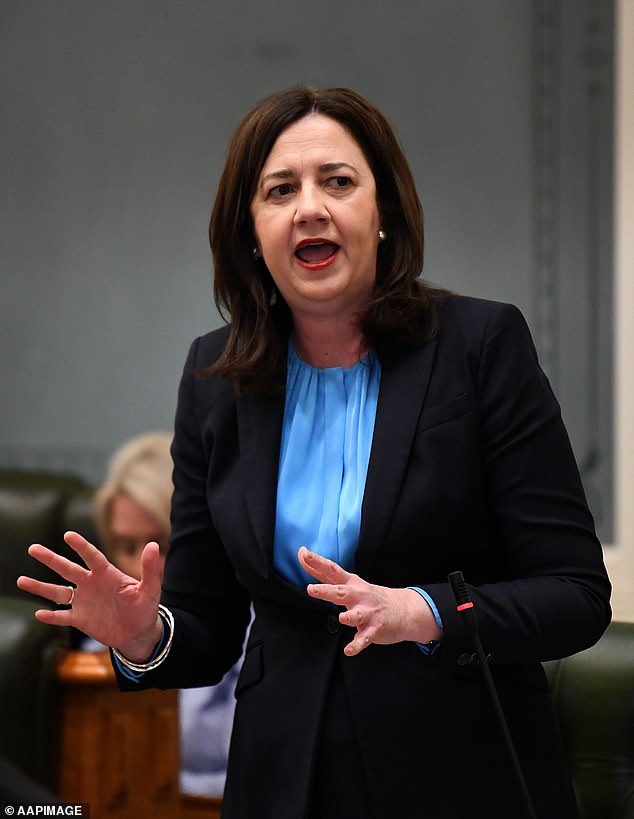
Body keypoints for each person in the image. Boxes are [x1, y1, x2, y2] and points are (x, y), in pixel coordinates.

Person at [17, 86, 611, 819]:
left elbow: (576, 594)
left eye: (338, 181)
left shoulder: (479, 347)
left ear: (383, 212)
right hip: (283, 779)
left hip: (460, 770)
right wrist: (143, 634)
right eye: (279, 190)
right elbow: (205, 626)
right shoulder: (215, 379)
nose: (309, 207)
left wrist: (421, 609)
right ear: (252, 233)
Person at [84, 431, 239, 798]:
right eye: (125, 546)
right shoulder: (91, 650)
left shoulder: (251, 633)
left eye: (162, 546)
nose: (141, 568)